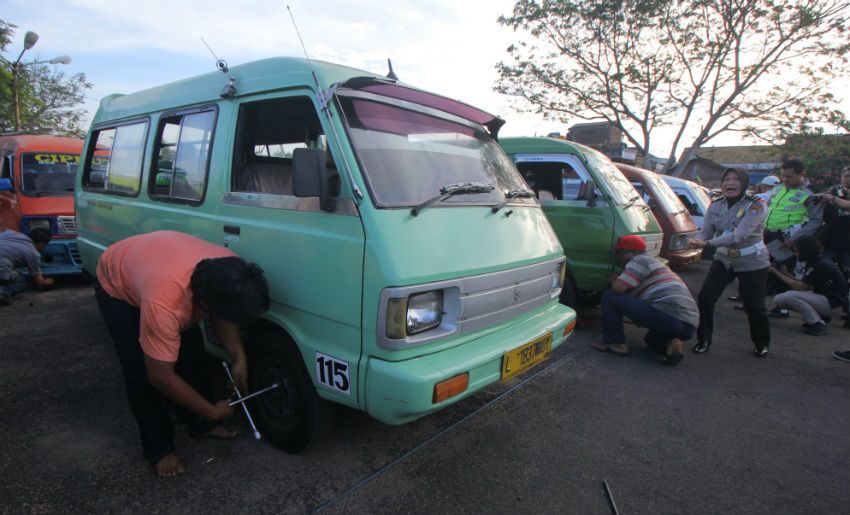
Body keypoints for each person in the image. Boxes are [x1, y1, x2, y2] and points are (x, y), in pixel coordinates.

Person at [94, 230, 269, 477]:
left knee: (193, 358)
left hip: (160, 265)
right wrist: (212, 409)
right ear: (204, 305)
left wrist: (239, 357)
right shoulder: (165, 304)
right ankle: (160, 448)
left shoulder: (231, 271)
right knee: (141, 375)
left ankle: (203, 426)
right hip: (118, 284)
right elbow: (160, 376)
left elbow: (224, 313)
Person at [688, 167, 771, 356]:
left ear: (744, 183)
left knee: (753, 305)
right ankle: (703, 339)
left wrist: (707, 243)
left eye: (736, 180)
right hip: (724, 258)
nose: (730, 183)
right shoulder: (716, 204)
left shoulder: (757, 205)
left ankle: (761, 343)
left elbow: (740, 235)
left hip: (752, 261)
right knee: (706, 297)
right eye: (726, 179)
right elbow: (706, 231)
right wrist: (698, 240)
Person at [591, 235, 699, 366]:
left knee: (610, 296)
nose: (618, 258)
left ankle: (616, 344)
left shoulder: (639, 260)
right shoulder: (655, 263)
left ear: (635, 252)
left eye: (620, 253)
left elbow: (619, 289)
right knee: (651, 340)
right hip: (688, 326)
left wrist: (616, 280)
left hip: (670, 315)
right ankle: (669, 344)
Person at [763, 159, 824, 313]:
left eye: (789, 176)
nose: (785, 179)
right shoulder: (778, 189)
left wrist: (795, 239)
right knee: (765, 269)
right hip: (768, 234)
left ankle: (783, 308)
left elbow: (815, 220)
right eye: (783, 176)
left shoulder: (810, 194)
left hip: (788, 239)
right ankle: (759, 302)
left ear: (801, 175)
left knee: (785, 272)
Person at [768, 235, 849, 335]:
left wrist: (776, 272)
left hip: (835, 305)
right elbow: (803, 281)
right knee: (780, 299)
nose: (796, 254)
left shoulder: (821, 265)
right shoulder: (817, 261)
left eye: (797, 251)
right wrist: (784, 273)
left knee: (789, 296)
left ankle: (817, 323)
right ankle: (821, 317)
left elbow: (798, 286)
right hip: (830, 301)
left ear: (806, 251)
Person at [0, 227, 54, 305]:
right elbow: (38, 281)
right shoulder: (32, 253)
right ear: (41, 244)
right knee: (27, 281)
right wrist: (48, 281)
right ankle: (3, 291)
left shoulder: (9, 232)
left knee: (13, 271)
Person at [817, 167, 850, 274]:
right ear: (841, 178)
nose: (848, 179)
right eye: (846, 176)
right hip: (830, 241)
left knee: (846, 272)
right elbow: (819, 199)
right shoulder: (834, 190)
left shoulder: (832, 196)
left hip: (848, 245)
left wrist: (832, 199)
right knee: (825, 270)